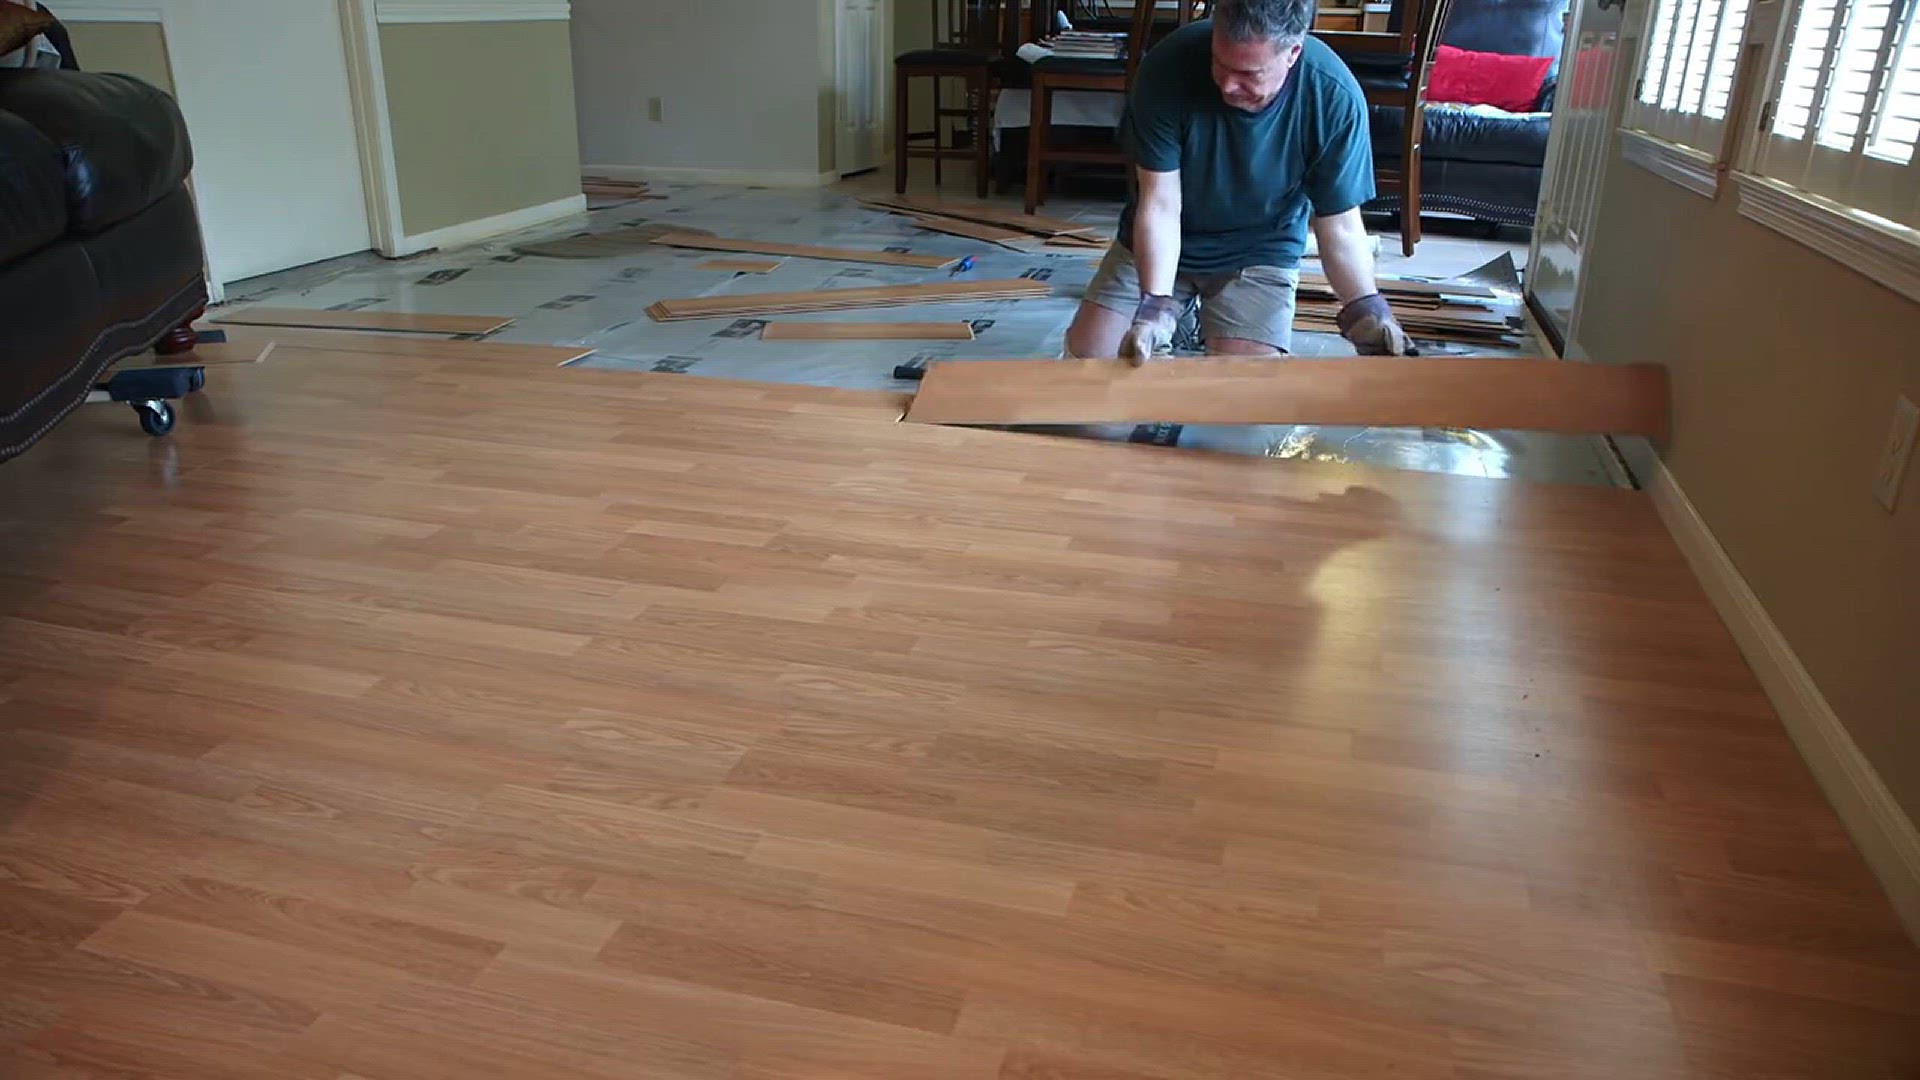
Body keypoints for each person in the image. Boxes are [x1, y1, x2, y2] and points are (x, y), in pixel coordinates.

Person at [1064, 0, 1414, 364]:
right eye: (1220, 63)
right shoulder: (1167, 67)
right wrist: (1154, 306)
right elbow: (1160, 204)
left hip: (1259, 249)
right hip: (1162, 240)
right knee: (1092, 377)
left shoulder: (1333, 96)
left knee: (1243, 388)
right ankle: (1177, 316)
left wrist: (1367, 309)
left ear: (1293, 53)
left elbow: (1340, 226)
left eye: (1249, 74)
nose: (1229, 86)